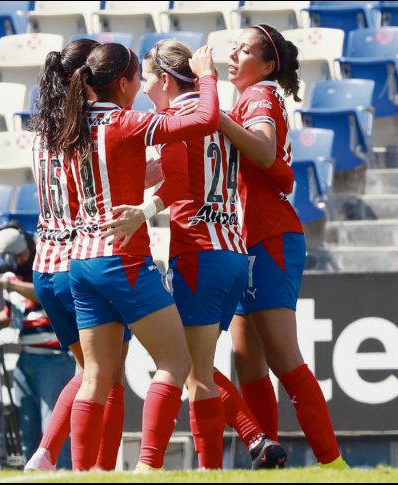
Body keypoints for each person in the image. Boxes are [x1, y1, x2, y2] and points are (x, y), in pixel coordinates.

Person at [102, 39, 286, 470]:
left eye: (148, 78)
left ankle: (202, 465)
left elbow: (178, 180)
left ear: (165, 79)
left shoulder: (173, 120)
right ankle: (248, 444)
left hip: (198, 251)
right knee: (191, 363)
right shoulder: (216, 117)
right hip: (232, 252)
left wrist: (141, 208)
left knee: (191, 371)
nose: (145, 88)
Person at [56, 42, 219, 471]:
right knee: (176, 361)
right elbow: (202, 120)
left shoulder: (69, 126)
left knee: (95, 376)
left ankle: (82, 474)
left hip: (81, 260)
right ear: (125, 82)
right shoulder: (126, 122)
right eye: (138, 79)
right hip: (122, 259)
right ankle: (148, 467)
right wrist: (205, 75)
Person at [219, 24, 348, 468]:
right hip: (248, 238)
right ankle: (269, 460)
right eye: (232, 49)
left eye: (245, 51)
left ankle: (333, 465)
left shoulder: (259, 95)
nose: (233, 57)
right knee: (246, 360)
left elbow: (263, 150)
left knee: (280, 357)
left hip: (268, 237)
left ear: (269, 64)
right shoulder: (252, 97)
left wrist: (214, 117)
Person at [23, 38, 132, 472]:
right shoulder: (83, 131)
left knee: (87, 371)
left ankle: (51, 455)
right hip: (80, 259)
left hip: (44, 267)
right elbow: (102, 190)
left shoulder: (39, 133)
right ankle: (81, 463)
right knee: (103, 376)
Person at [0, 222, 76, 469]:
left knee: (53, 429)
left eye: (22, 255)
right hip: (25, 357)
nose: (20, 260)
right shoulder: (10, 277)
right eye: (15, 258)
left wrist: (7, 284)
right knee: (29, 428)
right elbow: (10, 314)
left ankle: (62, 474)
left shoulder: (47, 266)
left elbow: (43, 294)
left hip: (54, 358)